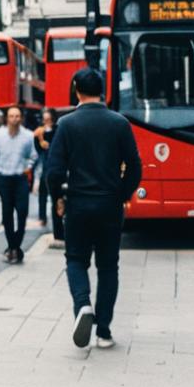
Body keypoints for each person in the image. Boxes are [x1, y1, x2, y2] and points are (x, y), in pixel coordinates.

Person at [45, 67, 142, 349]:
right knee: (108, 266)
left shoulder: (66, 124)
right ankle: (104, 331)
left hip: (78, 204)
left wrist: (58, 199)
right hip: (110, 204)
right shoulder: (119, 123)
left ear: (76, 90)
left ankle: (83, 305)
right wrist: (121, 194)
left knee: (76, 260)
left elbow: (54, 171)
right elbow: (135, 167)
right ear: (103, 90)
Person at [0, 104, 36, 263]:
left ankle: (15, 246)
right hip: (4, 179)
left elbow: (33, 156)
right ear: (7, 118)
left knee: (22, 213)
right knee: (7, 215)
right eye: (12, 116)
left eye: (17, 116)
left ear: (21, 118)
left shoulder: (28, 136)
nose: (15, 119)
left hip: (20, 179)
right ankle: (13, 247)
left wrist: (28, 167)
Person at [32, 108, 56, 227]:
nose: (47, 121)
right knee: (42, 194)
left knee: (56, 195)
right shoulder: (39, 133)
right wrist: (40, 139)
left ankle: (57, 217)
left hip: (55, 166)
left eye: (49, 119)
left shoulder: (57, 130)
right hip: (44, 167)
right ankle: (42, 217)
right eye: (45, 119)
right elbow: (37, 151)